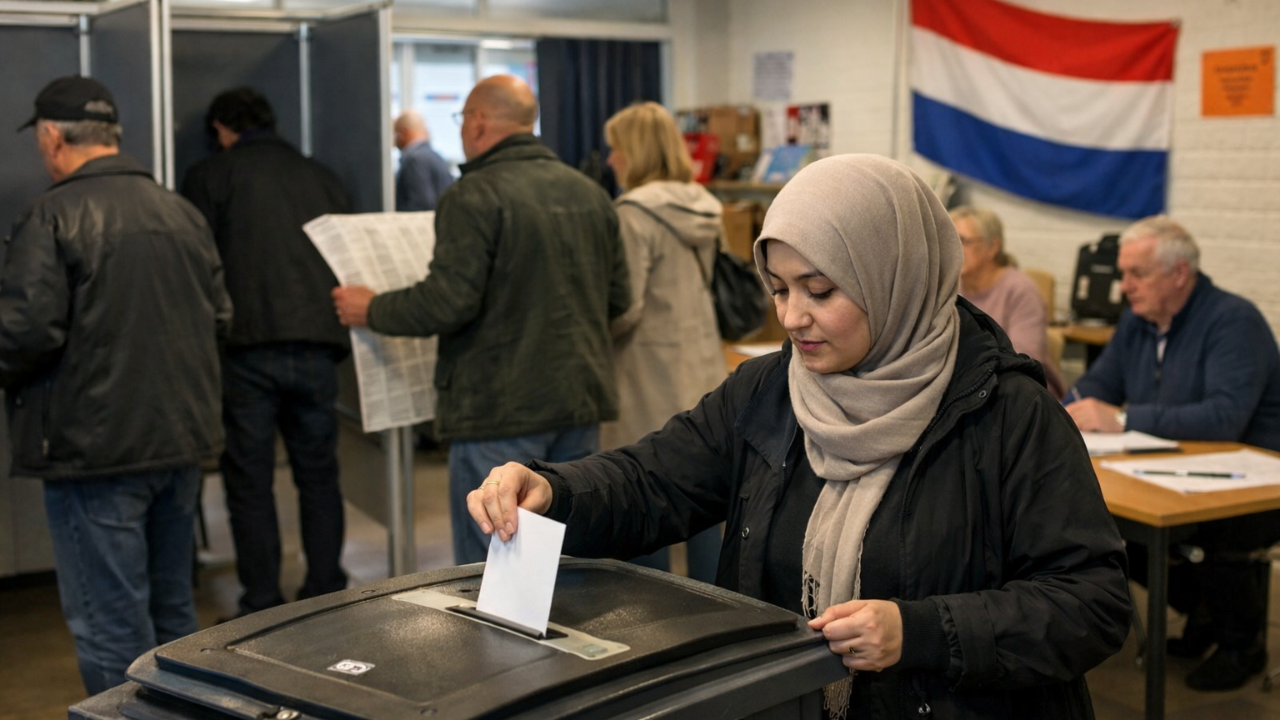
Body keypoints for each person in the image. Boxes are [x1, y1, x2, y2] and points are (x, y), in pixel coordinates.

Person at [468, 155, 1130, 718]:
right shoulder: (767, 390)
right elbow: (654, 480)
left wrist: (923, 631)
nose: (791, 317)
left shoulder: (1010, 414)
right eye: (779, 289)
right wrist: (554, 488)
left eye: (819, 290)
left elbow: (1091, 602)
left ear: (895, 278)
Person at [332, 75, 629, 566]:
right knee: (568, 554)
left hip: (498, 409)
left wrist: (373, 308)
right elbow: (619, 298)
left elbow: (448, 302)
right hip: (579, 402)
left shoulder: (473, 195)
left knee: (498, 564)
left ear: (479, 121)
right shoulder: (590, 194)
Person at [1, 76, 230, 694]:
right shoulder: (182, 212)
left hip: (94, 456)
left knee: (110, 624)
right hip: (180, 446)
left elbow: (23, 334)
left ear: (51, 139)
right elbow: (220, 319)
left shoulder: (49, 216)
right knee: (175, 618)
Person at [1065, 215, 1280, 690]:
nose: (1124, 287)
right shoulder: (1138, 323)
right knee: (1106, 527)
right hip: (1168, 470)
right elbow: (1095, 389)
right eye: (1123, 274)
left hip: (1253, 483)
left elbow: (1225, 418)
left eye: (1136, 274)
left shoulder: (1233, 320)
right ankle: (1203, 612)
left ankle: (1241, 643)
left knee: (1218, 533)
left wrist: (1121, 419)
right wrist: (1067, 416)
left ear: (1179, 273)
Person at [182, 87, 352, 618]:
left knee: (250, 479)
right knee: (319, 474)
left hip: (246, 350)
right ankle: (325, 589)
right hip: (318, 345)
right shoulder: (322, 176)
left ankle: (262, 601)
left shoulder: (211, 176)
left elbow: (197, 268)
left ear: (221, 129)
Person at [601, 102, 725, 581]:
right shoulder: (704, 205)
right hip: (701, 362)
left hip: (646, 372)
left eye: (616, 148)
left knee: (644, 494)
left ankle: (651, 612)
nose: (611, 159)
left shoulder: (632, 214)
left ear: (635, 151)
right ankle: (721, 611)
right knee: (705, 496)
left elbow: (626, 306)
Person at [951, 205, 1066, 398]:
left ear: (992, 248)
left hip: (1020, 396)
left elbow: (1023, 360)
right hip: (967, 390)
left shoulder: (1020, 290)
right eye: (950, 239)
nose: (953, 247)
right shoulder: (951, 288)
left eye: (962, 240)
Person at [394, 109, 454, 212]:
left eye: (395, 134)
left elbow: (421, 206)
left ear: (404, 132)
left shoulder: (415, 160)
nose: (394, 141)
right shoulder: (436, 157)